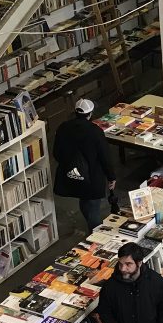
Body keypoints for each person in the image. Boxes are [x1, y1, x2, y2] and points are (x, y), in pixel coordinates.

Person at [53, 99, 116, 233]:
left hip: (72, 173)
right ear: (90, 113)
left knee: (84, 200)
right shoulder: (95, 131)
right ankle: (96, 236)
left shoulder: (63, 127)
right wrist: (111, 177)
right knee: (93, 207)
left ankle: (92, 228)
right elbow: (105, 157)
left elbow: (56, 153)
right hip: (92, 177)